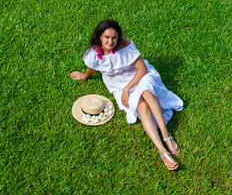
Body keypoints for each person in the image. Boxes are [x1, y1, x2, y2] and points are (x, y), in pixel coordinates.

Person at [70, 19, 183, 170]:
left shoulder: (126, 46)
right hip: (118, 85)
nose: (111, 41)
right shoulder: (94, 53)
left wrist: (127, 89)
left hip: (139, 76)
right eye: (106, 37)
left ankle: (166, 134)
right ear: (99, 37)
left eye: (114, 37)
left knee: (147, 93)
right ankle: (162, 151)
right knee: (143, 108)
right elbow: (93, 66)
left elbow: (142, 69)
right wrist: (85, 76)